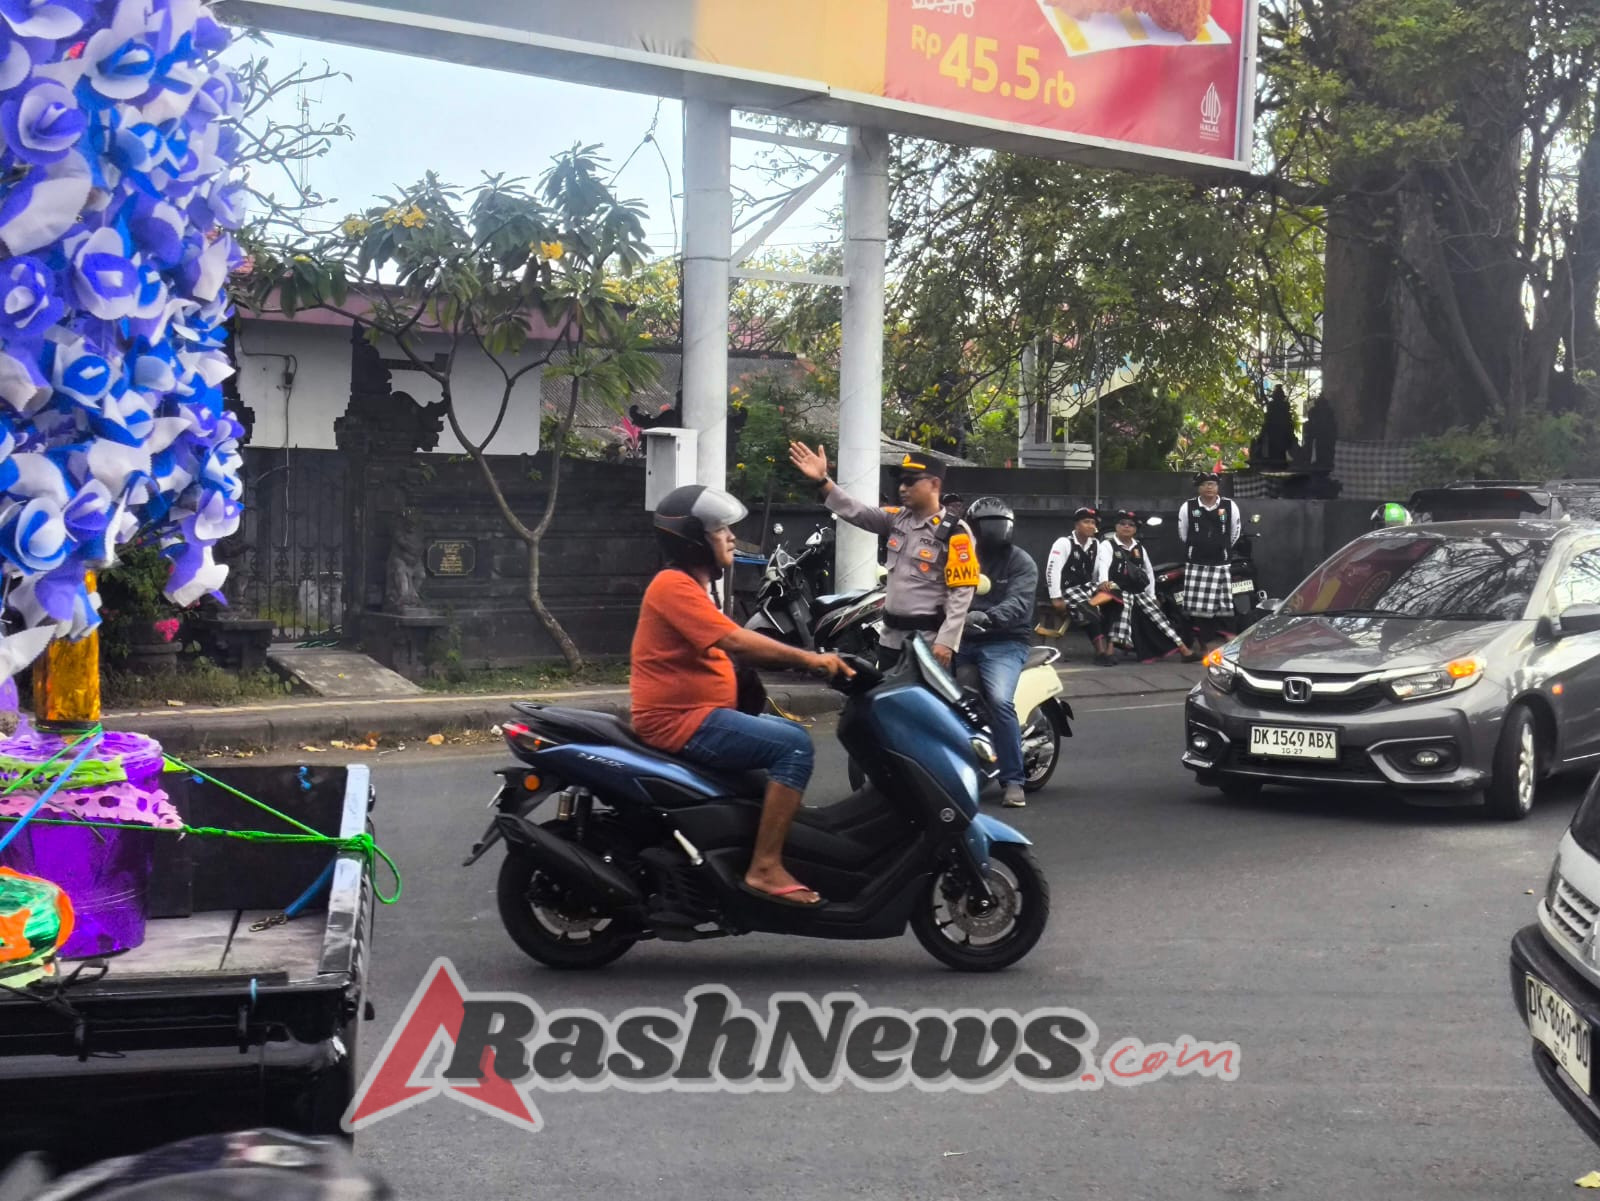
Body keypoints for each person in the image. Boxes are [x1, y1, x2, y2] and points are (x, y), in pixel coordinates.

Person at [631, 484, 854, 908]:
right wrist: (811, 660)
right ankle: (765, 866)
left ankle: (750, 843)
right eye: (720, 531)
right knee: (794, 746)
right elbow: (737, 641)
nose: (731, 536)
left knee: (775, 730)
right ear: (695, 541)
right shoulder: (672, 587)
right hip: (681, 721)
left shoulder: (693, 588)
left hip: (701, 714)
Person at [787, 443, 978, 669]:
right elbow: (857, 512)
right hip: (889, 641)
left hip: (927, 645)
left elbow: (962, 593)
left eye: (910, 481)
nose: (902, 488)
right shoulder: (897, 519)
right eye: (901, 481)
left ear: (934, 484)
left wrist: (946, 642)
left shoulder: (955, 532)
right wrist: (822, 481)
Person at [954, 497, 1038, 809]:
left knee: (1000, 701)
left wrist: (989, 617)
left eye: (998, 524)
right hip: (958, 638)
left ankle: (1013, 780)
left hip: (1003, 641)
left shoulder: (1020, 561)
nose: (994, 531)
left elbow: (1019, 602)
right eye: (986, 524)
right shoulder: (962, 556)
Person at [1104, 510, 1201, 663]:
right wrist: (1105, 584)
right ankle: (1109, 652)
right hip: (1117, 590)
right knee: (1122, 609)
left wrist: (1152, 595)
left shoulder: (1139, 547)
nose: (1126, 527)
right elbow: (1102, 566)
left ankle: (1184, 650)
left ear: (1135, 529)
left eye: (1131, 525)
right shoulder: (1107, 545)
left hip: (1138, 590)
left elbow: (1147, 571)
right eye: (1122, 524)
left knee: (1159, 616)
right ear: (1116, 527)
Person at [1176, 472, 1244, 648]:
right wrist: (1198, 546)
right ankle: (1202, 643)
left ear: (1217, 487)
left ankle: (1229, 640)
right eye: (1205, 484)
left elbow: (1234, 531)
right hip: (1196, 562)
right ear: (1198, 487)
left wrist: (1221, 547)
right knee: (1196, 607)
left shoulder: (1229, 505)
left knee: (1224, 603)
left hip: (1220, 562)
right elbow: (1183, 533)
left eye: (1213, 484)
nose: (1209, 487)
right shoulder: (1188, 507)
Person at [1044, 507, 1118, 666]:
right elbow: (1052, 571)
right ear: (1077, 525)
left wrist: (1101, 586)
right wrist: (1056, 597)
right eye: (1086, 522)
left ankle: (1112, 647)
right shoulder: (1064, 543)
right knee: (1088, 607)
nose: (1090, 526)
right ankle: (1101, 652)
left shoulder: (1096, 544)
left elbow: (1096, 571)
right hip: (1066, 589)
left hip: (1087, 587)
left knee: (1117, 598)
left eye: (1093, 522)